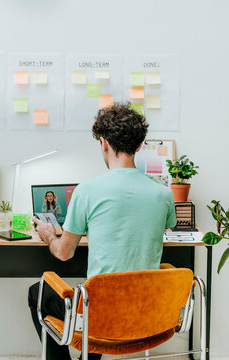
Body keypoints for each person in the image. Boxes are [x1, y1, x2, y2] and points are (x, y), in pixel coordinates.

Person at [28, 103, 176, 360]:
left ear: (104, 142)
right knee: (96, 294)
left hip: (99, 319)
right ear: (139, 146)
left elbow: (64, 254)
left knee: (37, 292)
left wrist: (49, 235)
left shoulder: (87, 191)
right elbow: (165, 226)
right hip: (145, 315)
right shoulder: (163, 193)